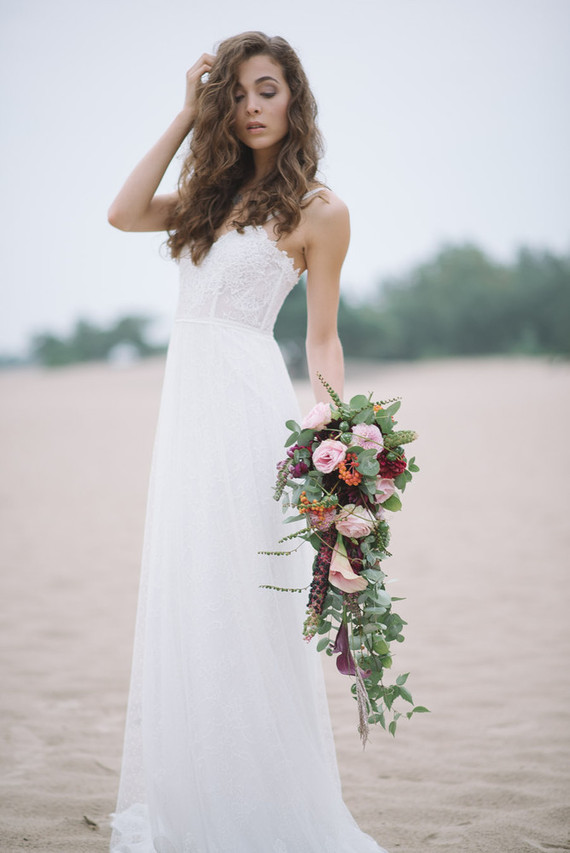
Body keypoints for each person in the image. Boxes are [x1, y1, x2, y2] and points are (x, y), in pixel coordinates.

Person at [108, 31, 388, 853]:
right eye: (234, 94)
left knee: (247, 602)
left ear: (293, 99)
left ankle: (268, 810)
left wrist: (343, 458)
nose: (251, 107)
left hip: (246, 411)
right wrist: (182, 114)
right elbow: (123, 211)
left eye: (266, 89)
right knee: (194, 597)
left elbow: (323, 339)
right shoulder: (205, 198)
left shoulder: (319, 210)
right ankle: (200, 800)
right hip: (185, 417)